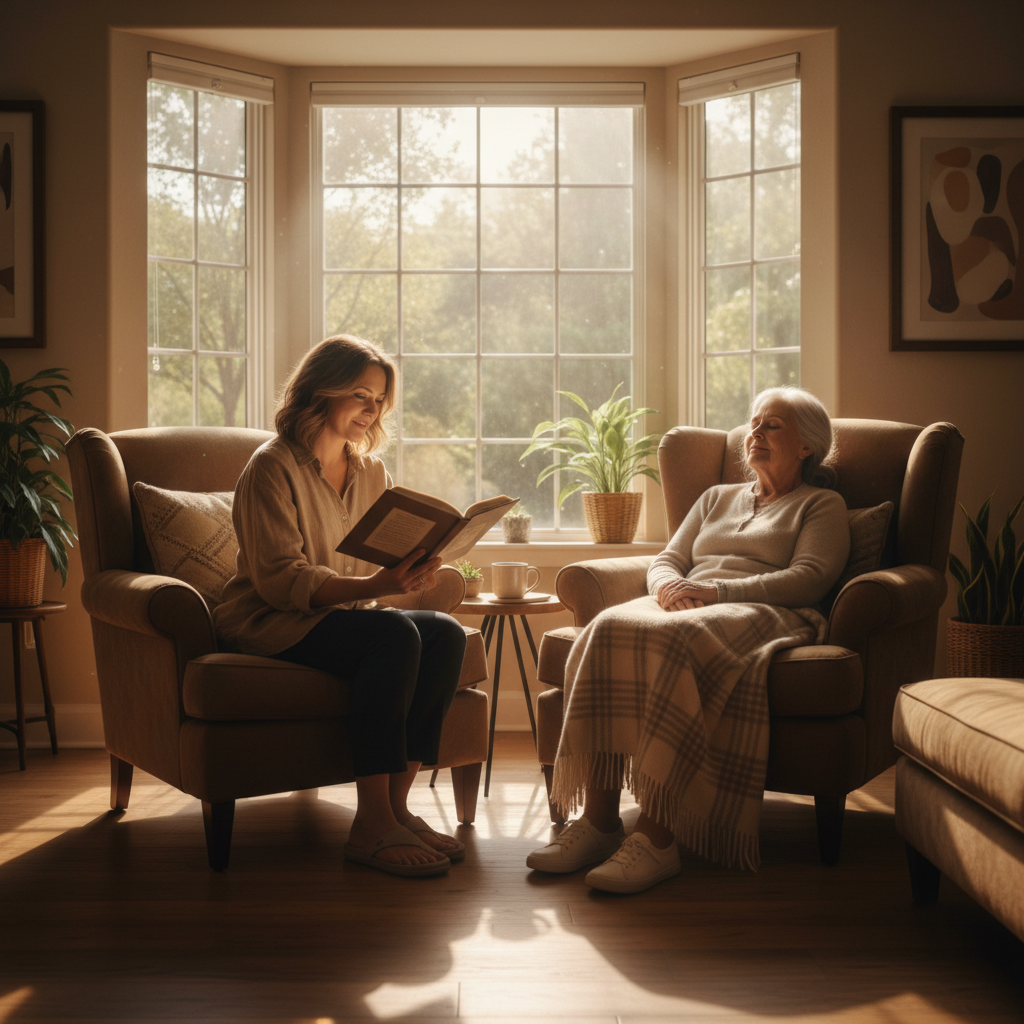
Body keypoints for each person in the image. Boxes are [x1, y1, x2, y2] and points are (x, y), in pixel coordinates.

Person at [527, 386, 851, 893]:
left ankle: (656, 838)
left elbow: (810, 578)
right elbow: (666, 560)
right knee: (606, 626)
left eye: (772, 425)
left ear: (807, 445)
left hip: (767, 609)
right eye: (754, 422)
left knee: (676, 639)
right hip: (688, 602)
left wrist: (716, 591)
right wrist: (668, 588)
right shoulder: (716, 497)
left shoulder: (821, 504)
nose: (755, 433)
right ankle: (599, 822)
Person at [214, 335, 468, 878]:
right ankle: (370, 824)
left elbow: (380, 561)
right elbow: (281, 581)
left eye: (378, 399)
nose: (371, 410)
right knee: (393, 635)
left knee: (443, 633)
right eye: (359, 395)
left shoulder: (371, 472)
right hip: (272, 622)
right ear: (321, 391)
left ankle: (397, 810)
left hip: (342, 617)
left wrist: (411, 569)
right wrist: (374, 586)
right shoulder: (270, 468)